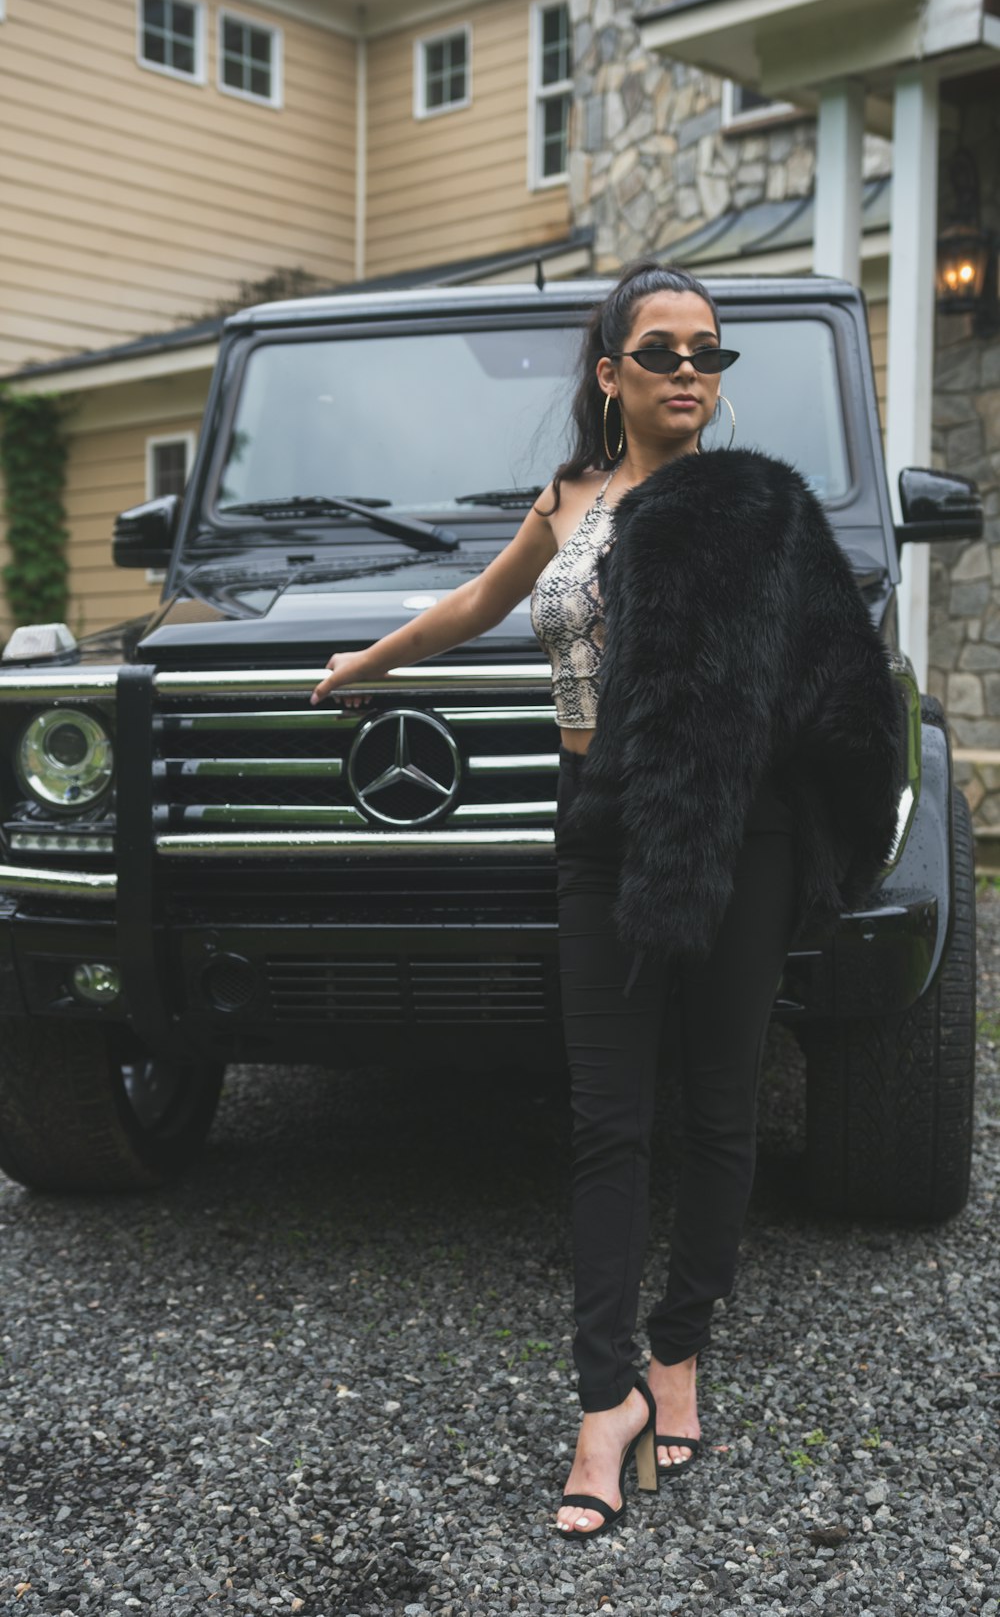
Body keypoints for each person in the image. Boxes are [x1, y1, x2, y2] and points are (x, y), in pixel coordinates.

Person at [310, 261, 904, 1541]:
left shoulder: (755, 508)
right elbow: (484, 599)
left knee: (720, 1102)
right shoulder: (571, 498)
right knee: (603, 1118)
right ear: (609, 374)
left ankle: (677, 1348)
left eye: (708, 353)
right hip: (596, 829)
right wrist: (369, 660)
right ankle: (604, 1396)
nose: (690, 370)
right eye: (662, 351)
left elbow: (837, 678)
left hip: (730, 834)